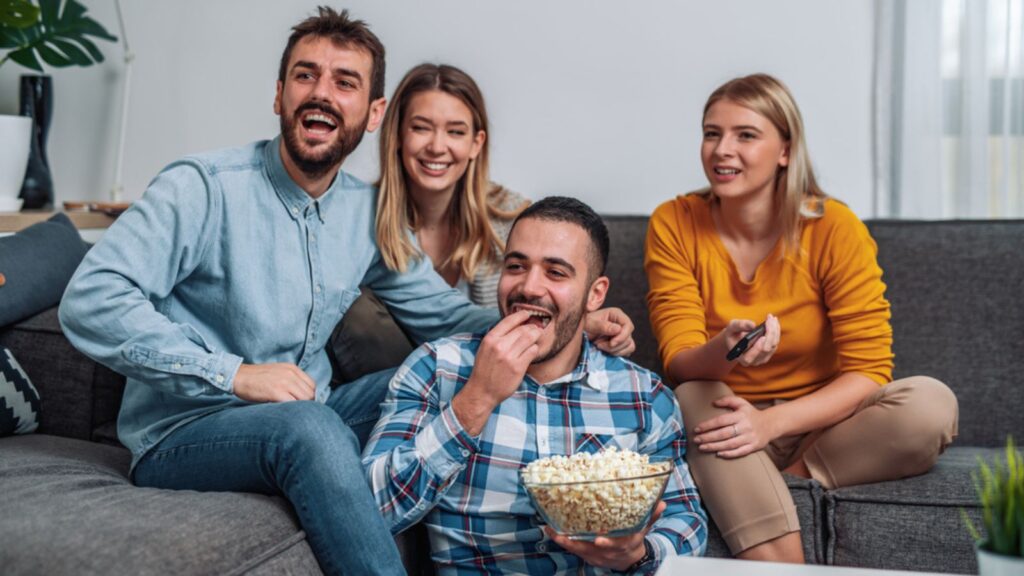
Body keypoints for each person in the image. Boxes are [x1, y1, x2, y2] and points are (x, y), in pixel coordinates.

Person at [57, 8, 633, 576]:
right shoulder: (202, 188)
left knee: (450, 372)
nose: (321, 94)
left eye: (345, 82)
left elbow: (443, 314)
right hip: (184, 432)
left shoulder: (366, 213)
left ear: (374, 111)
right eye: (306, 76)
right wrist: (235, 373)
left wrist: (566, 324)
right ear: (279, 94)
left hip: (313, 411)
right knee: (309, 427)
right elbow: (92, 299)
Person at [644, 73, 959, 563]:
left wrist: (773, 425)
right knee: (692, 396)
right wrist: (728, 351)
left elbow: (869, 370)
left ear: (785, 150)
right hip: (728, 421)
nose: (722, 149)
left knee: (931, 405)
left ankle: (778, 485)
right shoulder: (674, 222)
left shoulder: (834, 227)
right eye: (712, 133)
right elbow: (681, 365)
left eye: (745, 135)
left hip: (822, 426)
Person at [363, 197, 707, 575]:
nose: (529, 287)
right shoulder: (437, 369)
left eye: (556, 273)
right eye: (516, 266)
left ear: (596, 294)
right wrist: (476, 399)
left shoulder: (645, 396)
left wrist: (638, 555)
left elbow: (685, 518)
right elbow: (368, 511)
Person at [329, 63, 536, 382]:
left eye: (455, 132)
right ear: (397, 134)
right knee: (354, 305)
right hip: (384, 389)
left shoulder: (514, 220)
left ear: (476, 143)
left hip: (484, 383)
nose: (437, 147)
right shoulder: (360, 217)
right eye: (422, 128)